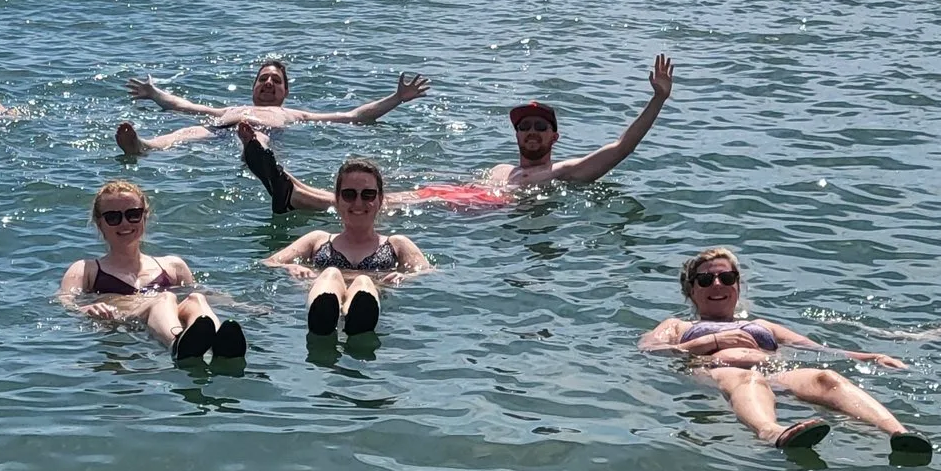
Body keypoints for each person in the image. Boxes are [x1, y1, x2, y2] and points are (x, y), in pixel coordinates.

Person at [241, 54, 675, 212]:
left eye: (541, 127)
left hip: (480, 208)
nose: (532, 132)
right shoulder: (505, 166)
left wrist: (656, 100)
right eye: (525, 127)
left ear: (555, 137)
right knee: (397, 196)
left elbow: (621, 148)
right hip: (459, 195)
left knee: (388, 202)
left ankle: (293, 192)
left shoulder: (563, 172)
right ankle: (292, 189)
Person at [641, 247, 930, 456]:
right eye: (705, 280)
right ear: (691, 290)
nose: (717, 285)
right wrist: (708, 342)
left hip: (775, 372)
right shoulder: (677, 325)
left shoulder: (761, 324)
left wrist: (873, 357)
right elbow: (650, 351)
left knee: (826, 377)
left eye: (727, 278)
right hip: (717, 370)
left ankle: (898, 433)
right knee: (748, 381)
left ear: (737, 286)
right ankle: (772, 432)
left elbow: (818, 349)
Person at [58, 179, 247, 363]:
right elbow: (65, 302)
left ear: (144, 217)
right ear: (100, 224)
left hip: (163, 322)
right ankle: (176, 344)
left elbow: (204, 291)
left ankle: (222, 346)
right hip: (126, 323)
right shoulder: (86, 269)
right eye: (113, 217)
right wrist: (85, 309)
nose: (125, 223)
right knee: (165, 298)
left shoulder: (173, 266)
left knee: (196, 299)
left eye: (133, 214)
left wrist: (244, 307)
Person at [261, 157, 433, 336]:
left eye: (368, 195)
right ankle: (322, 317)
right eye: (349, 195)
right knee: (330, 274)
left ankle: (358, 320)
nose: (358, 203)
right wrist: (291, 267)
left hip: (372, 295)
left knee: (363, 282)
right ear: (337, 200)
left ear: (380, 200)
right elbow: (270, 263)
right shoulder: (317, 240)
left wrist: (405, 276)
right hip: (324, 292)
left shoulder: (397, 244)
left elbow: (427, 271)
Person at [117, 58, 429, 155]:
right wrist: (154, 92)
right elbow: (184, 105)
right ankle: (143, 146)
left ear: (285, 91)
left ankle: (252, 154)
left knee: (258, 142)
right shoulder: (229, 109)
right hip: (222, 130)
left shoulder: (294, 114)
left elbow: (352, 117)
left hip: (263, 134)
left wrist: (396, 99)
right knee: (187, 130)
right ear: (253, 87)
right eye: (263, 79)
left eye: (275, 80)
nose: (268, 83)